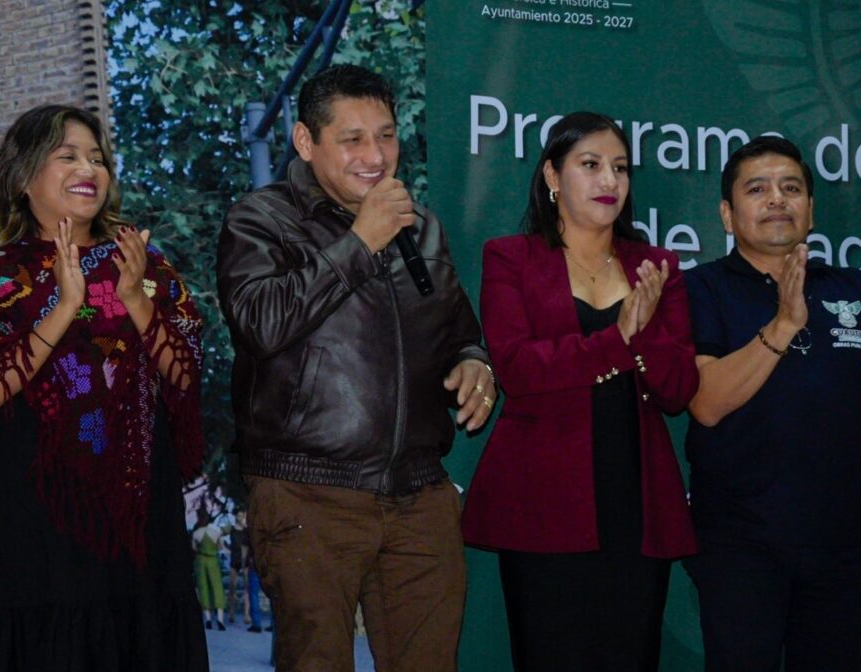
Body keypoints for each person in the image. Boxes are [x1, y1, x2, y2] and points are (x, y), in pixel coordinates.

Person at [217, 64, 494, 672]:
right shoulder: (260, 219)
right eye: (353, 139)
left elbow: (459, 331)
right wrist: (360, 242)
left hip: (418, 492)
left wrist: (475, 363)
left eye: (386, 136)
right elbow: (261, 323)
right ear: (305, 141)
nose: (375, 155)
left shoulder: (422, 228)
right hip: (307, 490)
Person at [0, 105, 208, 671]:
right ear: (23, 178)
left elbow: (184, 377)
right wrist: (63, 306)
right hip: (32, 529)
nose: (89, 169)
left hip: (138, 525)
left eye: (97, 158)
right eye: (68, 156)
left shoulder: (143, 265)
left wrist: (134, 298)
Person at [462, 112, 699, 671]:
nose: (609, 180)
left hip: (636, 507)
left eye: (620, 168)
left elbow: (677, 390)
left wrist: (644, 336)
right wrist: (618, 339)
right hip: (541, 503)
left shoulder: (656, 266)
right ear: (552, 175)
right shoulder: (510, 257)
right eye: (590, 165)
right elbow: (519, 371)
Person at [683, 135, 861, 672]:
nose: (777, 199)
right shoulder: (700, 289)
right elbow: (705, 403)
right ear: (727, 214)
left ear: (811, 209)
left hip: (843, 546)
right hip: (741, 543)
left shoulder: (850, 289)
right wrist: (783, 325)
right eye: (757, 189)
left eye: (791, 188)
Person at [191, 506, 227, 630]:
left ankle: (208, 620)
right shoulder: (216, 532)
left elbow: (194, 548)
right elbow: (220, 547)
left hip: (201, 561)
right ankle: (220, 620)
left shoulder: (196, 533)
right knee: (217, 587)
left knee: (203, 587)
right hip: (213, 560)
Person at [226, 509, 251, 626]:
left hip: (245, 561)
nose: (242, 518)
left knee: (247, 589)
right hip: (234, 559)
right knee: (232, 588)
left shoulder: (247, 531)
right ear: (236, 516)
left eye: (243, 516)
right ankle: (231, 612)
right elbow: (218, 534)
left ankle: (246, 614)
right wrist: (225, 548)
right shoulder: (231, 529)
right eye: (240, 515)